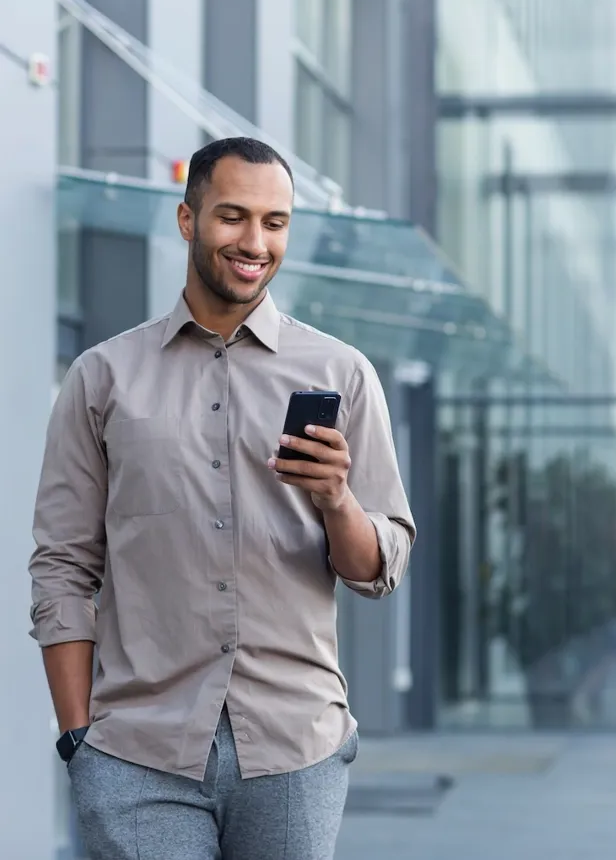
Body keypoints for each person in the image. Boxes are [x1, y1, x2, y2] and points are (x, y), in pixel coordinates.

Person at [29, 137, 415, 860]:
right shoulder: (102, 376)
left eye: (275, 222)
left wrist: (334, 497)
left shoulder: (342, 372)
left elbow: (377, 570)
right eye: (233, 216)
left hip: (294, 750)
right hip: (138, 754)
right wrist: (79, 736)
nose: (254, 242)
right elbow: (62, 566)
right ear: (187, 220)